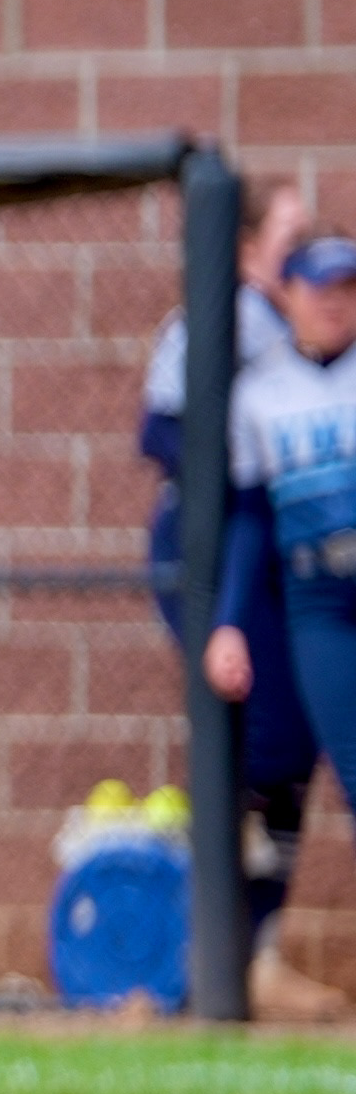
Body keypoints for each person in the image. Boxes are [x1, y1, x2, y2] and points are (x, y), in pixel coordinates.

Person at [142, 174, 344, 1020]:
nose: (296, 252)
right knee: (258, 746)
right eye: (284, 236)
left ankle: (249, 955)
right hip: (212, 556)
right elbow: (161, 435)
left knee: (287, 755)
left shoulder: (303, 327)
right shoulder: (215, 321)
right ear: (250, 248)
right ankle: (211, 961)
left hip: (278, 568)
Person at [210, 240, 356, 918]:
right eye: (321, 287)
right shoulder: (260, 391)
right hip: (316, 594)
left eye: (348, 289)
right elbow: (249, 517)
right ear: (289, 293)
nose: (335, 302)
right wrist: (229, 622)